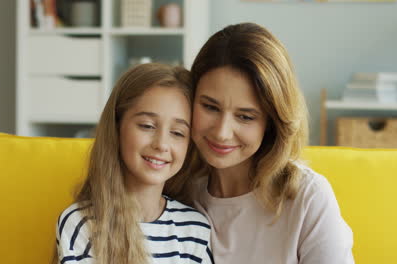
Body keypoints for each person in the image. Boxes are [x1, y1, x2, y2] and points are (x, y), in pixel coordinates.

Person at [185, 23, 354, 263]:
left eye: (245, 117)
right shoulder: (176, 190)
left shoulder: (307, 197)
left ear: (272, 121)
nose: (222, 133)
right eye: (210, 107)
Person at [55, 63, 213, 264]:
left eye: (177, 133)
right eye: (147, 126)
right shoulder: (81, 223)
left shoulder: (195, 230)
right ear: (117, 127)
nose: (162, 144)